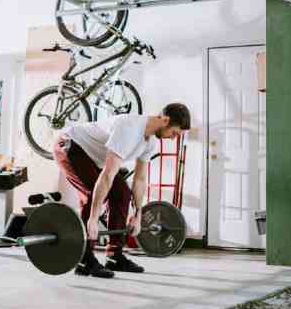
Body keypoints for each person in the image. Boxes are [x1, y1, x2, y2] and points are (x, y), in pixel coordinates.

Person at [53, 103, 191, 278]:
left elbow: (140, 179)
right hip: (71, 146)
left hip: (93, 158)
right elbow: (108, 175)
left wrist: (138, 214)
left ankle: (114, 255)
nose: (173, 138)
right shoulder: (129, 128)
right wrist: (94, 218)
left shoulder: (149, 142)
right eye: (174, 133)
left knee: (122, 193)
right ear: (165, 120)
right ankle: (84, 259)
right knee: (91, 194)